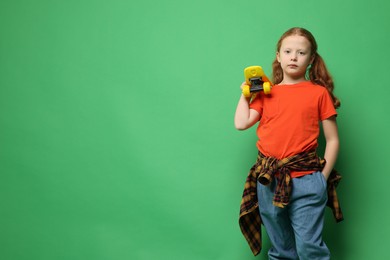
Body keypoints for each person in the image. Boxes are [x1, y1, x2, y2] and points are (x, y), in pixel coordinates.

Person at [234, 27, 343, 259]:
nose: (294, 57)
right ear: (278, 56)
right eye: (288, 51)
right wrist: (245, 95)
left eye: (301, 53)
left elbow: (333, 140)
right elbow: (241, 123)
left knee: (309, 248)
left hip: (307, 181)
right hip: (269, 182)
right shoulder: (266, 94)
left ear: (311, 59)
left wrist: (322, 179)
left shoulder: (318, 93)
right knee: (281, 250)